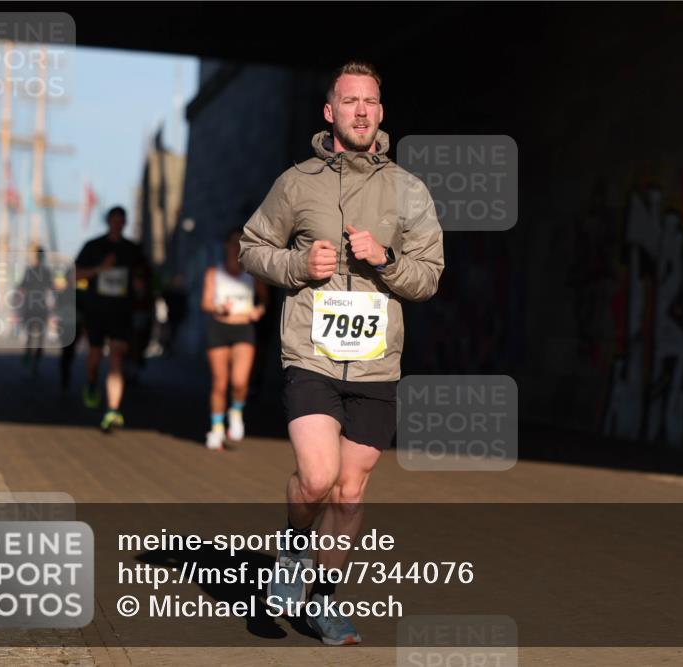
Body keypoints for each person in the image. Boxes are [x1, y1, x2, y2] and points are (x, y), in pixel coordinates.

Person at [239, 61, 444, 645]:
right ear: (330, 112)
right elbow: (252, 248)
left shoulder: (408, 190)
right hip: (311, 353)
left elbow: (429, 276)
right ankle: (290, 554)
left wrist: (386, 259)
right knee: (316, 477)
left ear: (381, 112)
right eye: (350, 101)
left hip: (377, 362)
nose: (361, 111)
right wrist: (298, 264)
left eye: (370, 101)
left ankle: (321, 603)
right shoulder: (296, 182)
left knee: (350, 494)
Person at [74, 206, 149, 432]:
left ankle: (113, 410)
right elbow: (74, 274)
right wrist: (99, 269)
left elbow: (144, 278)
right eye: (114, 220)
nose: (117, 224)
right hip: (96, 311)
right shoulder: (93, 246)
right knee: (95, 355)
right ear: (108, 221)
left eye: (121, 220)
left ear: (125, 223)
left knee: (117, 357)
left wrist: (139, 285)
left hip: (121, 312)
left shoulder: (132, 250)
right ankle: (91, 383)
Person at [201, 228, 269, 450]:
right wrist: (219, 307)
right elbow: (205, 303)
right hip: (219, 328)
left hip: (243, 329)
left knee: (239, 382)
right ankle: (216, 428)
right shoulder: (214, 272)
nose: (236, 246)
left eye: (241, 242)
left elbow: (264, 300)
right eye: (233, 242)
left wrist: (259, 310)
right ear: (226, 246)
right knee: (220, 383)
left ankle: (236, 411)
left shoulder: (252, 273)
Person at [18, 246, 54, 375]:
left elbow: (21, 286)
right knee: (40, 337)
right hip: (40, 307)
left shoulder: (30, 271)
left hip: (31, 306)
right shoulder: (46, 272)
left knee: (31, 334)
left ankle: (29, 356)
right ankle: (34, 363)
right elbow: (52, 287)